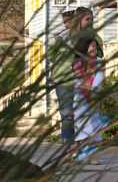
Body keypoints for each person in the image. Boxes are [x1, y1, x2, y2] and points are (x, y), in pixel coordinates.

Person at [72, 36, 108, 163]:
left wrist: (96, 94)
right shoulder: (78, 63)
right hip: (81, 98)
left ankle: (93, 156)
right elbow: (79, 81)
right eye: (91, 45)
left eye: (95, 45)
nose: (93, 48)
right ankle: (80, 152)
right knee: (82, 126)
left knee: (94, 126)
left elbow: (100, 79)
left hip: (95, 98)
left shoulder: (100, 62)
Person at [51, 10, 76, 144]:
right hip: (62, 78)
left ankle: (78, 142)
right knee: (67, 113)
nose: (67, 24)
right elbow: (51, 57)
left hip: (80, 78)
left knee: (79, 113)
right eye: (65, 21)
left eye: (69, 21)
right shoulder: (60, 38)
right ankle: (67, 141)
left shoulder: (83, 36)